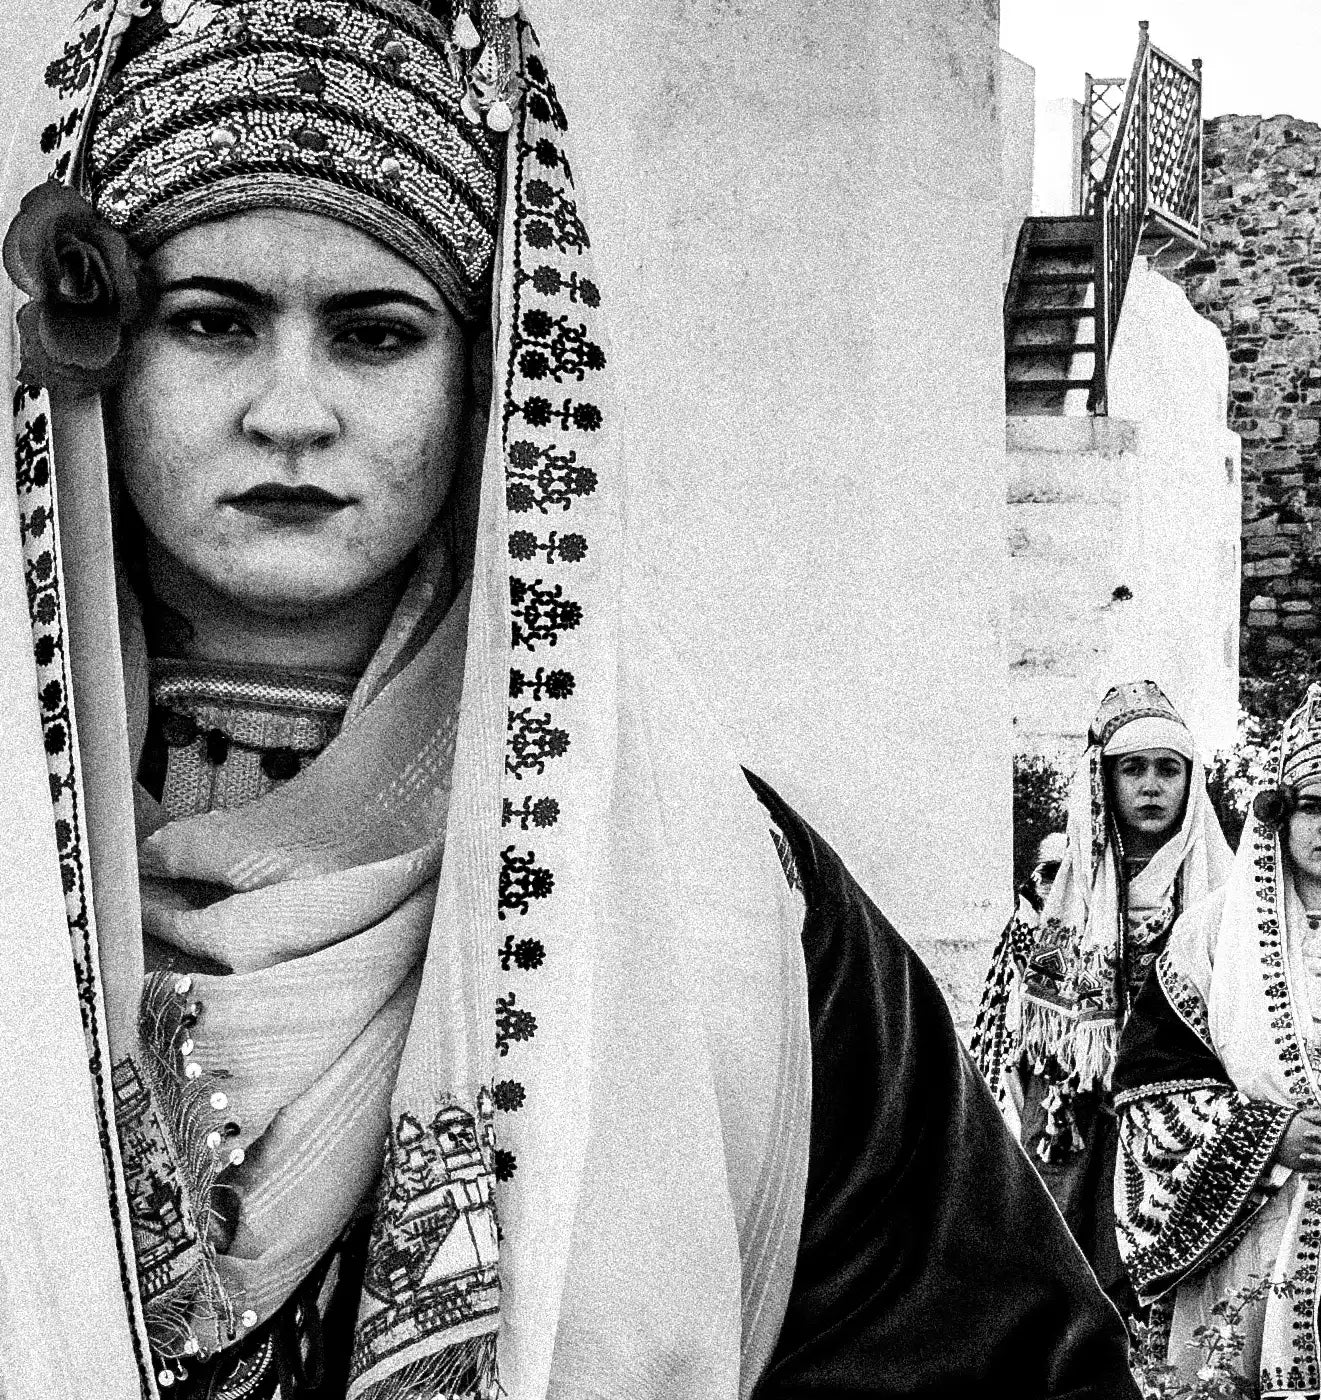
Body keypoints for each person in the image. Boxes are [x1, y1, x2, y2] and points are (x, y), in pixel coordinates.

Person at [0, 2, 1142, 1398]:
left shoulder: (728, 903)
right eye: (213, 323)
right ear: (102, 358)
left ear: (485, 377)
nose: (290, 409)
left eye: (372, 334)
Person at [1114, 685, 1321, 1397]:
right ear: (1280, 814)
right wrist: (1269, 1137)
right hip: (1249, 1237)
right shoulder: (1209, 934)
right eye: (1310, 805)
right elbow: (1153, 1095)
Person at [972, 680, 1231, 1315]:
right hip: (1079, 1119)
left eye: (1168, 770)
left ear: (1190, 782)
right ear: (1104, 782)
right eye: (1132, 769)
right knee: (1063, 1266)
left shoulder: (1225, 898)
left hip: (1182, 1120)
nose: (1151, 786)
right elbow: (1035, 1039)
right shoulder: (1069, 901)